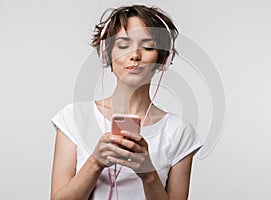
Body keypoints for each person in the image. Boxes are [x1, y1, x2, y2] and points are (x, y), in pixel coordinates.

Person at [50, 4, 202, 200]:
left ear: (162, 59)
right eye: (123, 45)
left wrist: (148, 175)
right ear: (107, 54)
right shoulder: (73, 117)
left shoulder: (179, 131)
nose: (135, 55)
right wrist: (95, 163)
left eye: (148, 47)